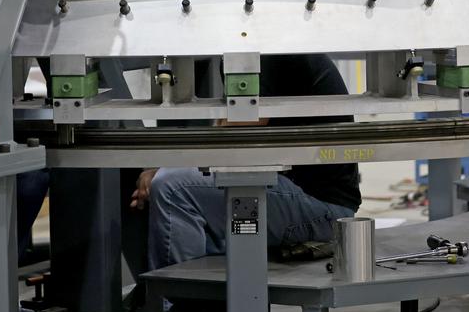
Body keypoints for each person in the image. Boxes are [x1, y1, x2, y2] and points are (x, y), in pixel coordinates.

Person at [132, 53, 361, 272]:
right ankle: (207, 303)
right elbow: (230, 127)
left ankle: (180, 307)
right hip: (292, 194)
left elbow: (243, 129)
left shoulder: (263, 50)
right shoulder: (249, 48)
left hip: (322, 210)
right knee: (179, 192)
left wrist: (167, 168)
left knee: (172, 188)